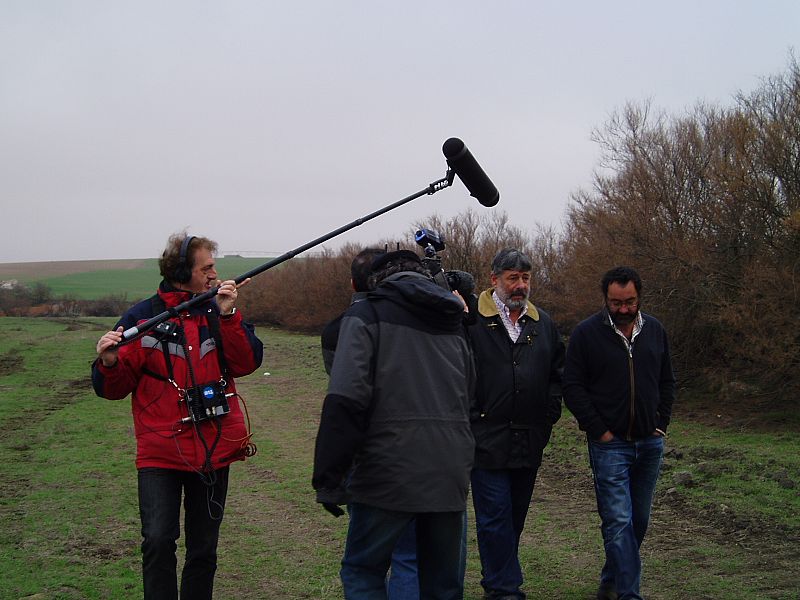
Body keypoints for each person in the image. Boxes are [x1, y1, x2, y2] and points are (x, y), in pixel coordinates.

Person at [92, 233, 264, 600]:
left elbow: (246, 362)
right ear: (182, 272)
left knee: (203, 549)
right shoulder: (141, 317)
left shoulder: (218, 312)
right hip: (160, 454)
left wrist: (228, 315)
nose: (215, 274)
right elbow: (112, 389)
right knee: (157, 542)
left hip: (214, 451)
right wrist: (108, 363)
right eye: (207, 268)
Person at [313, 249, 474, 600]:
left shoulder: (366, 314)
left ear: (375, 281)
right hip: (449, 473)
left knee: (362, 571)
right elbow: (471, 395)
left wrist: (328, 477)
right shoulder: (453, 319)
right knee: (443, 586)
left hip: (385, 472)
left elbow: (345, 400)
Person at [562, 266, 675, 600]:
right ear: (605, 299)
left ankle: (611, 580)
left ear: (639, 297)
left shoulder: (655, 330)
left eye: (630, 302)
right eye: (616, 303)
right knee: (619, 520)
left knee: (637, 521)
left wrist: (661, 424)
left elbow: (667, 380)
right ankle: (629, 593)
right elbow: (572, 386)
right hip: (609, 446)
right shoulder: (586, 334)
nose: (624, 309)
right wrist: (599, 430)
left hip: (649, 442)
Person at [321, 247, 422, 599]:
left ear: (353, 284)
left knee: (366, 563)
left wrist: (330, 476)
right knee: (409, 557)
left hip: (368, 459)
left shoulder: (339, 329)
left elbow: (346, 398)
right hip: (422, 456)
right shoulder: (425, 319)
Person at [467, 248, 564, 600]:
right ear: (494, 279)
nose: (520, 285)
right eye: (512, 278)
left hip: (529, 438)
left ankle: (497, 581)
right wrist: (472, 418)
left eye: (525, 278)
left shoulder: (543, 323)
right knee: (494, 518)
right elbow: (458, 372)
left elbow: (557, 374)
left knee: (514, 519)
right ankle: (505, 590)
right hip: (485, 439)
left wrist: (548, 416)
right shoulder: (472, 321)